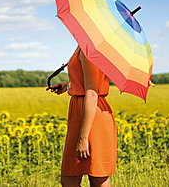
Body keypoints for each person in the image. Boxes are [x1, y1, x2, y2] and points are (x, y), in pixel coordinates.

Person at [46, 46, 117, 187]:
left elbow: (92, 93)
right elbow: (88, 83)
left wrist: (83, 138)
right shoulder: (83, 48)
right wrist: (69, 86)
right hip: (83, 111)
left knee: (96, 175)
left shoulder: (88, 51)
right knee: (74, 176)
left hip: (91, 115)